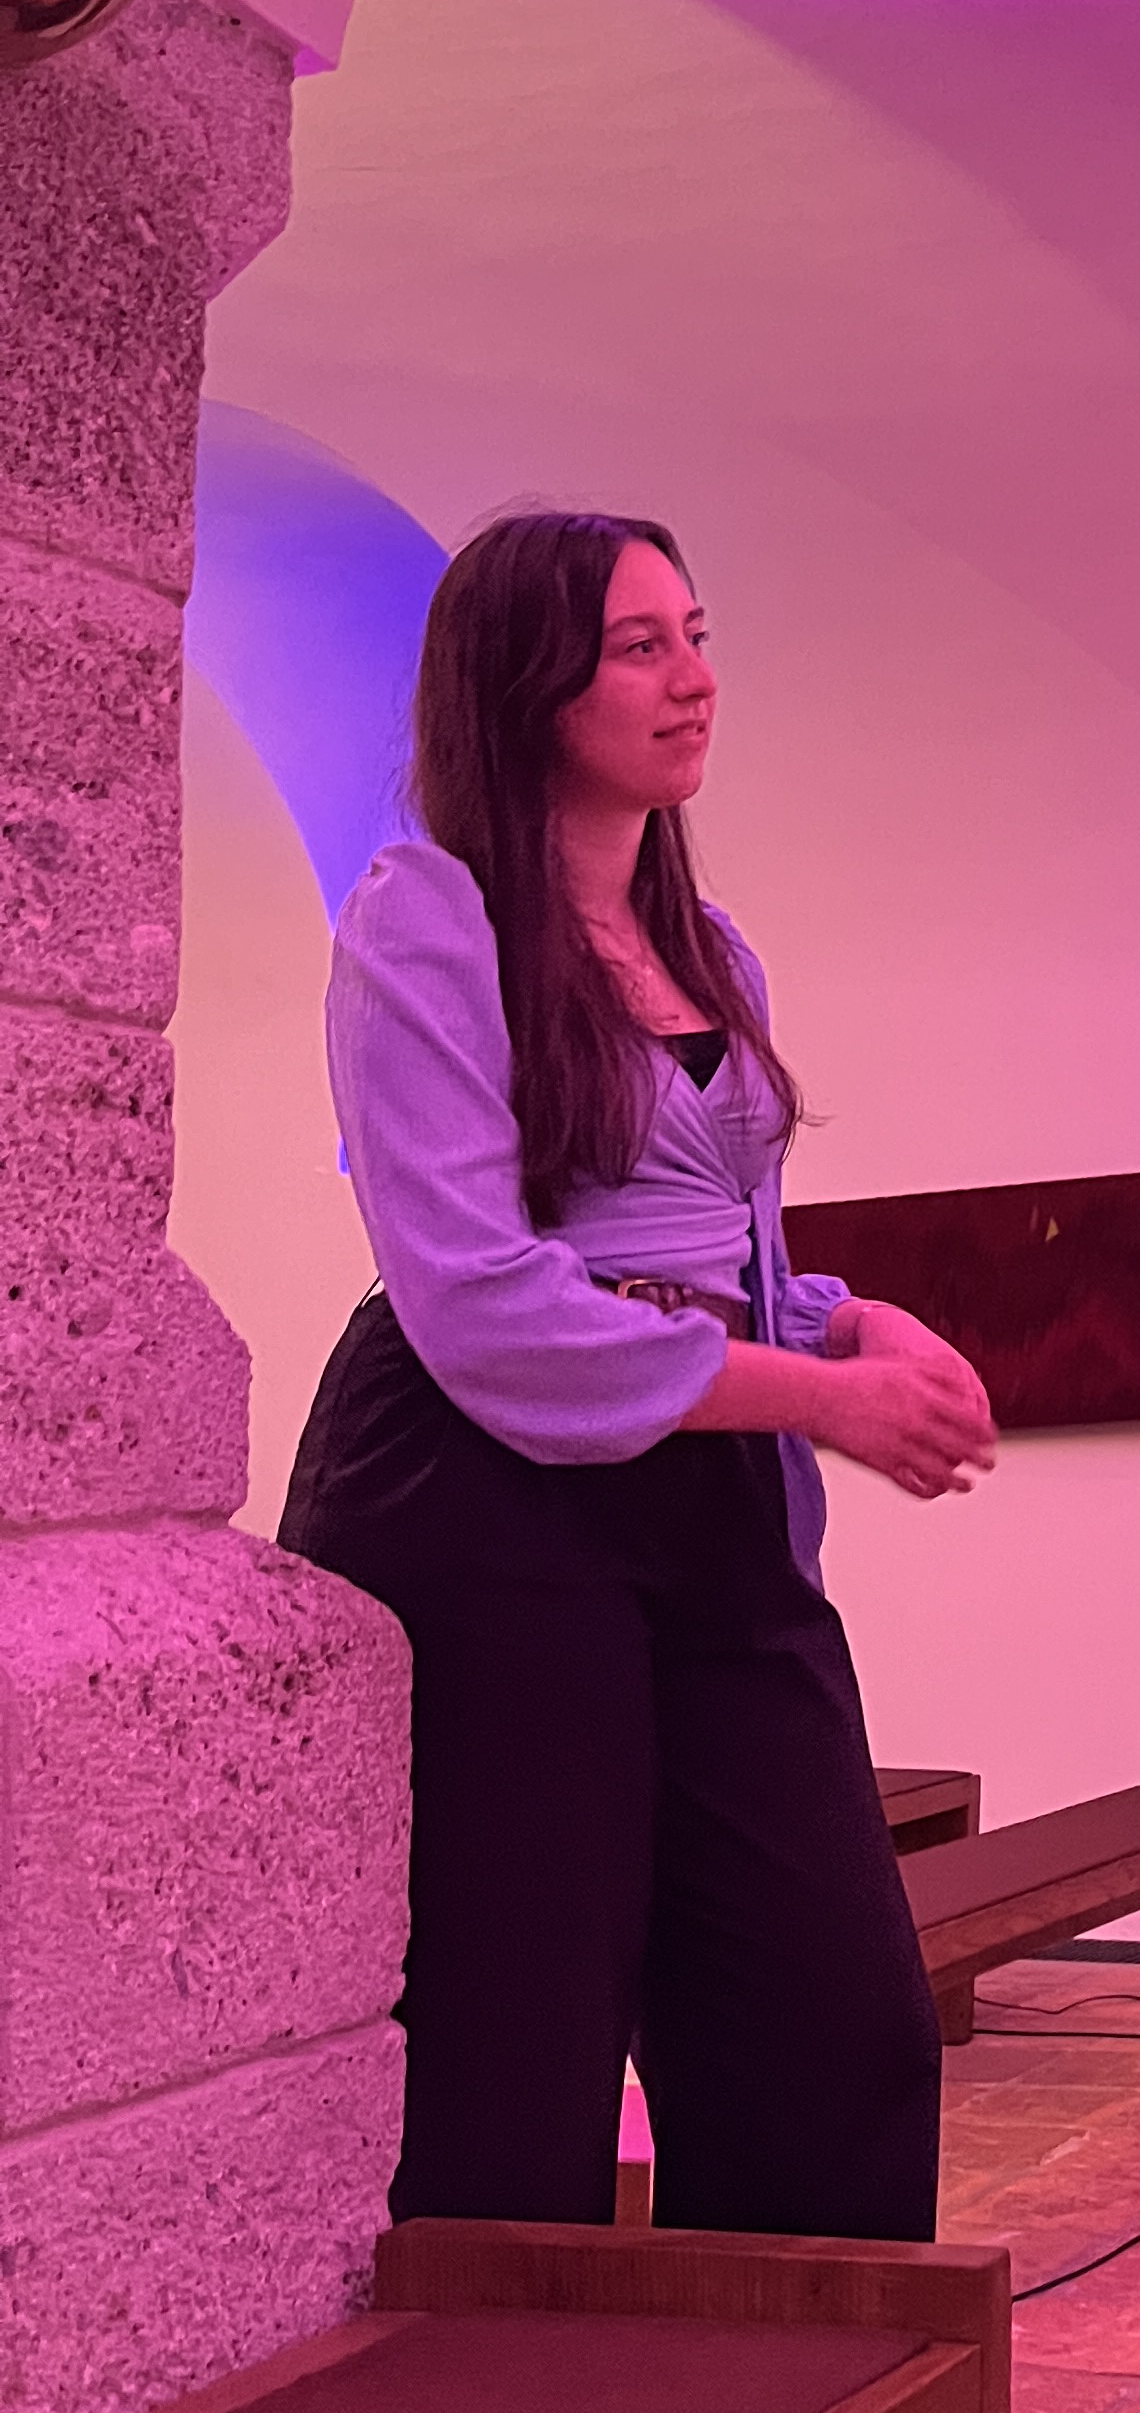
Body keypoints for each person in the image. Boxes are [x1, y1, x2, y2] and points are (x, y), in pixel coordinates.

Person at [280, 510, 995, 2242]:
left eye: (697, 635)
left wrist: (847, 1328)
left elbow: (717, 1262)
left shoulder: (710, 949)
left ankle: (782, 2400)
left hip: (711, 1500)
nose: (695, 680)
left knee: (836, 2034)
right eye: (641, 647)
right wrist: (815, 1396)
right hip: (488, 1501)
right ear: (529, 684)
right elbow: (484, 1303)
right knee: (519, 2041)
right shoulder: (426, 921)